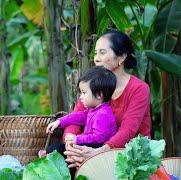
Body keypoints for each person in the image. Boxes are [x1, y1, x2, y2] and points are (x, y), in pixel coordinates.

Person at [64, 29, 151, 168]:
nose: (96, 59)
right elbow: (75, 119)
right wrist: (71, 147)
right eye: (95, 53)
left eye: (102, 52)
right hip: (92, 151)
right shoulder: (92, 85)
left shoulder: (139, 89)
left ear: (121, 57)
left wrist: (98, 154)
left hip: (130, 156)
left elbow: (127, 131)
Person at [44, 66, 117, 156]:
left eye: (84, 93)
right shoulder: (93, 109)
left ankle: (48, 157)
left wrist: (77, 139)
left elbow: (98, 138)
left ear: (99, 95)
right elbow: (78, 116)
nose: (81, 97)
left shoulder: (103, 114)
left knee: (57, 150)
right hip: (87, 146)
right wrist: (60, 121)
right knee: (56, 148)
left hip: (96, 153)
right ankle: (48, 155)